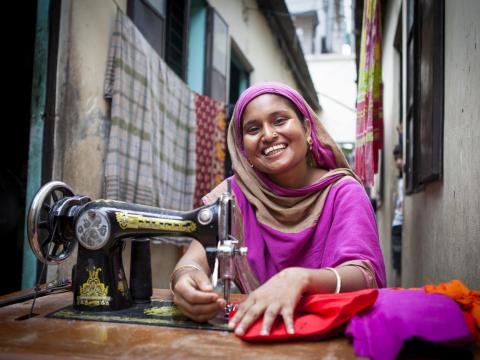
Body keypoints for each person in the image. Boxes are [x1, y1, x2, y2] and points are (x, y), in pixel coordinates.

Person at [170, 82, 386, 336]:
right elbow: (194, 259)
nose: (268, 135)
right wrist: (186, 279)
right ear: (243, 150)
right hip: (258, 336)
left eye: (280, 120)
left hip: (331, 338)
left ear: (307, 129)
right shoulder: (232, 197)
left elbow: (365, 276)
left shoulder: (343, 192)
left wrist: (301, 279)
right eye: (253, 129)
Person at [392, 144, 404, 287]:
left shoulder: (405, 179)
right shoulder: (400, 179)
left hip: (399, 224)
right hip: (397, 225)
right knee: (397, 263)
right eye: (396, 158)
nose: (398, 161)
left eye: (401, 157)